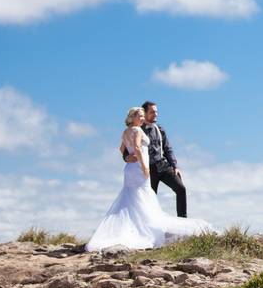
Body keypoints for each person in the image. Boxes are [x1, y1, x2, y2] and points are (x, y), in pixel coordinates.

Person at [85, 107, 212, 251]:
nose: (142, 118)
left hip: (129, 169)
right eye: (139, 116)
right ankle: (145, 229)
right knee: (142, 197)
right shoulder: (138, 130)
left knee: (131, 198)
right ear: (132, 117)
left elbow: (122, 149)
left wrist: (128, 157)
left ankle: (131, 228)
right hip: (139, 168)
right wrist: (145, 167)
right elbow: (138, 148)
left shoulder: (125, 132)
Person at [123, 101, 188, 217]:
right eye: (152, 112)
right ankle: (149, 227)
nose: (156, 114)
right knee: (149, 199)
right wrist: (126, 157)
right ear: (145, 113)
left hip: (162, 165)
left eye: (156, 112)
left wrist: (175, 166)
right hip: (148, 168)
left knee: (181, 189)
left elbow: (168, 148)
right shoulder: (137, 128)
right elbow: (127, 148)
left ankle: (183, 220)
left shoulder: (160, 129)